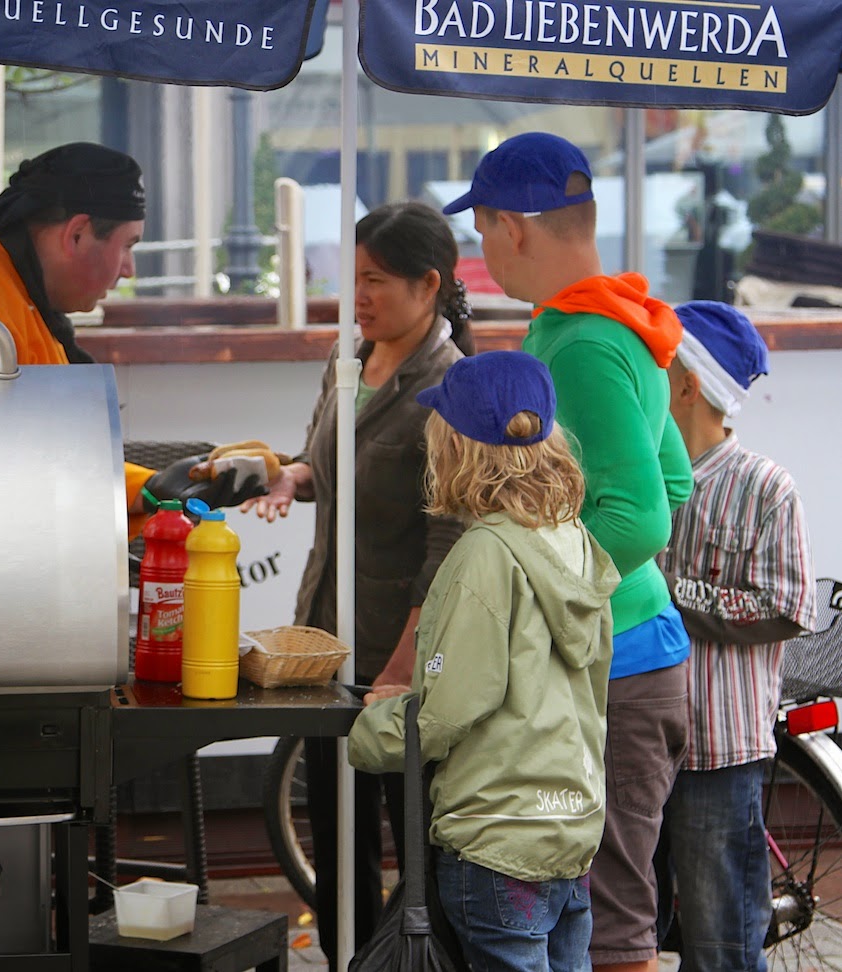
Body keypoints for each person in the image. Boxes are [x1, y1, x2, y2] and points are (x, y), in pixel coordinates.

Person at [444, 131, 696, 972]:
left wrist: (531, 588)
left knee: (616, 927)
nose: (481, 256)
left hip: (615, 668)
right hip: (634, 650)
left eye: (479, 233)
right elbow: (676, 481)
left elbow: (644, 516)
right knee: (604, 911)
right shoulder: (620, 322)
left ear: (511, 226)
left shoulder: (583, 341)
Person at [232, 200, 473, 961]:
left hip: (404, 656)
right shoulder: (348, 359)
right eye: (353, 278)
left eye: (375, 280)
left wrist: (404, 665)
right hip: (329, 642)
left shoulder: (450, 387)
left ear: (427, 284)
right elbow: (322, 463)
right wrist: (291, 479)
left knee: (419, 850)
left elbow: (446, 544)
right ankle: (344, 959)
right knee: (338, 845)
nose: (358, 296)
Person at [349, 349, 620, 972]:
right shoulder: (574, 539)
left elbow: (450, 710)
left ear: (454, 447)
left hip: (495, 841)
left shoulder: (484, 555)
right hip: (570, 828)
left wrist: (371, 730)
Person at [0, 141, 257, 534]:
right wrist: (140, 490)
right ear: (77, 233)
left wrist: (149, 489)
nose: (129, 270)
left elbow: (38, 454)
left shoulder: (14, 290)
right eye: (128, 246)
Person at [656, 300, 816, 971]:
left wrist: (672, 595)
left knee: (720, 937)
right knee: (637, 926)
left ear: (688, 383)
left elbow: (786, 605)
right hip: (636, 741)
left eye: (656, 367)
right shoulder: (640, 479)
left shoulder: (765, 488)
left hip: (716, 751)